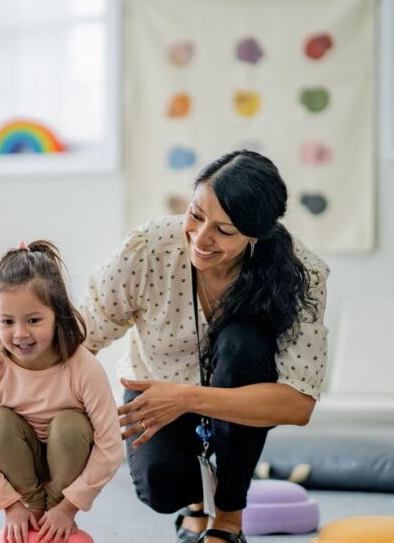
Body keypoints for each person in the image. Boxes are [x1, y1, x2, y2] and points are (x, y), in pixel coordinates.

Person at [79, 150, 329, 543]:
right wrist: (25, 317)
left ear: (256, 234)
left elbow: (299, 404)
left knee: (243, 344)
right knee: (158, 486)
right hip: (155, 388)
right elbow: (85, 332)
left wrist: (186, 398)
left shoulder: (301, 274)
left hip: (233, 398)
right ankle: (194, 506)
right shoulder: (149, 248)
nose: (201, 237)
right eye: (196, 214)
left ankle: (228, 519)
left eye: (224, 231)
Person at [0, 240, 124, 543]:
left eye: (34, 320)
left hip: (67, 464)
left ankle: (52, 519)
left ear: (57, 316)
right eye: (7, 322)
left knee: (70, 424)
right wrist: (11, 505)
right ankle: (34, 516)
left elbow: (111, 445)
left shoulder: (83, 367)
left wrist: (68, 507)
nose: (20, 334)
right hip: (21, 471)